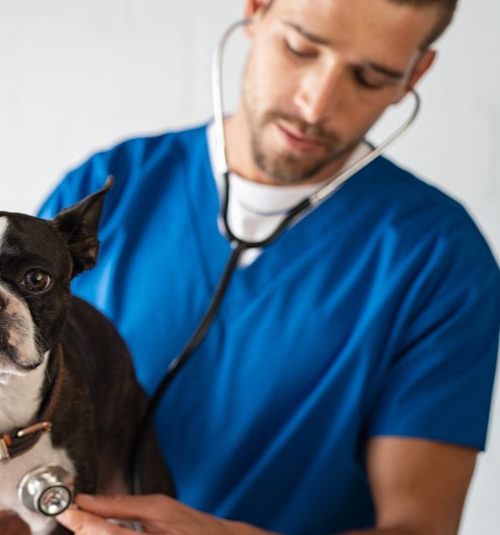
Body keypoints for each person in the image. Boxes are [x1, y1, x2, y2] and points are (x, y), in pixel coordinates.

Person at [39, 0, 500, 533]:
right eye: (300, 48)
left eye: (370, 78)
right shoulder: (106, 189)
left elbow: (420, 525)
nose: (315, 104)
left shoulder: (439, 257)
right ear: (257, 9)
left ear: (414, 75)